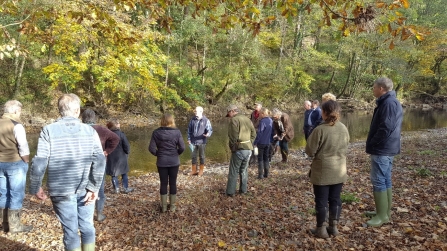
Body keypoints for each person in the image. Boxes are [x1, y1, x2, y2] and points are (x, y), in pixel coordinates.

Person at [29, 93, 106, 251]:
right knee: (87, 227)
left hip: (60, 189)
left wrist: (36, 186)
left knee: (70, 231)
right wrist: (94, 188)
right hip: (85, 187)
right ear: (77, 111)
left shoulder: (48, 130)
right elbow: (99, 160)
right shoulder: (90, 131)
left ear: (60, 111)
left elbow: (40, 161)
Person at [305, 100, 349, 238]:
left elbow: (310, 151)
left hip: (322, 171)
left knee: (321, 201)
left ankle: (321, 229)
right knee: (335, 199)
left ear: (324, 112)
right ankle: (333, 227)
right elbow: (346, 145)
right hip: (339, 170)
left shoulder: (320, 130)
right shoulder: (343, 128)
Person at [365, 77, 403, 227]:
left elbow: (386, 128)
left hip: (383, 149)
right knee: (385, 179)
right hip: (387, 148)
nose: (373, 90)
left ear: (381, 89)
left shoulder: (388, 103)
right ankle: (384, 212)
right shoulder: (391, 102)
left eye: (374, 87)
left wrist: (373, 142)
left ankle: (382, 216)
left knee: (379, 180)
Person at [81, 108, 119, 222]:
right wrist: (107, 151)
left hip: (81, 163)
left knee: (82, 187)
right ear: (94, 118)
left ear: (82, 118)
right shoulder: (101, 128)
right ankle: (99, 214)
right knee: (99, 188)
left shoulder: (79, 128)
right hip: (99, 163)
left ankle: (85, 214)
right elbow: (115, 138)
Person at [0, 100, 32, 233]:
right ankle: (15, 226)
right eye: (19, 111)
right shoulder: (16, 125)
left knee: (2, 193)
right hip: (15, 163)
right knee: (16, 194)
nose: (20, 113)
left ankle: (4, 224)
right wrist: (26, 161)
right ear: (14, 111)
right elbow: (23, 146)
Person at [149, 113, 185, 212]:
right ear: (172, 121)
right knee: (173, 183)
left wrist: (159, 154)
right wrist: (176, 153)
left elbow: (151, 149)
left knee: (163, 183)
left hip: (162, 162)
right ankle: (172, 207)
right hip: (174, 161)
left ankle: (164, 207)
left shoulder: (156, 132)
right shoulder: (177, 132)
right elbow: (182, 147)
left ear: (162, 121)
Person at [225, 104, 256, 196]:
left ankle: (230, 192)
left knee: (234, 170)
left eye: (228, 114)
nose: (228, 117)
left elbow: (233, 137)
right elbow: (254, 134)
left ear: (232, 111)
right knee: (244, 170)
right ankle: (243, 190)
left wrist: (233, 147)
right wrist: (249, 142)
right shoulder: (247, 119)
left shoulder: (234, 120)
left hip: (239, 149)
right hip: (249, 149)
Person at [106, 118, 134, 194]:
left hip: (111, 157)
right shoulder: (121, 134)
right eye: (118, 123)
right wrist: (127, 153)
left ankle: (116, 189)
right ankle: (125, 188)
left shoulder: (107, 135)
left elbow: (105, 146)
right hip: (121, 157)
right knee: (124, 173)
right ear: (116, 125)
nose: (119, 124)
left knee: (113, 174)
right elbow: (127, 147)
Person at [186, 106, 212, 177]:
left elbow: (210, 130)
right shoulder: (192, 120)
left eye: (196, 111)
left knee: (202, 156)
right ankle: (194, 170)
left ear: (201, 112)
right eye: (195, 111)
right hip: (193, 141)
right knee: (193, 156)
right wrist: (188, 139)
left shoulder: (206, 120)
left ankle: (201, 170)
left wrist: (208, 134)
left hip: (202, 141)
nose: (195, 112)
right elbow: (189, 130)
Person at [253, 108, 273, 179]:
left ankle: (260, 175)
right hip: (268, 142)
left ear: (263, 114)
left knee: (260, 159)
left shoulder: (262, 121)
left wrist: (255, 142)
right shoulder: (271, 120)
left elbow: (260, 133)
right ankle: (266, 173)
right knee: (266, 158)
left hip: (261, 143)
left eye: (260, 114)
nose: (259, 115)